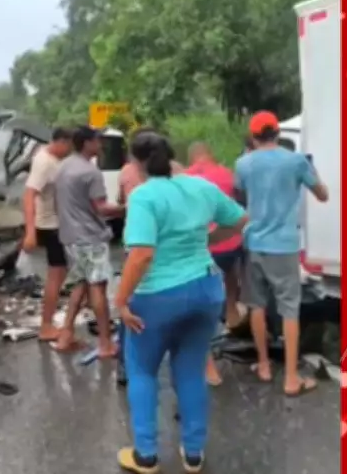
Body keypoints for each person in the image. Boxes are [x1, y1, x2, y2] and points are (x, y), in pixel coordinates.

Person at [114, 130, 247, 473]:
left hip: (158, 295)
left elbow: (142, 254)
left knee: (142, 370)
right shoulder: (198, 186)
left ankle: (146, 455)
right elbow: (240, 220)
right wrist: (209, 237)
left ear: (136, 162)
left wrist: (121, 299)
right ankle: (193, 453)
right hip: (205, 289)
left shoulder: (144, 197)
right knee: (190, 371)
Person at [235, 111, 329, 395]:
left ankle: (263, 365)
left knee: (257, 305)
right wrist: (311, 172)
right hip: (284, 245)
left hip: (253, 244)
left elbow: (240, 196)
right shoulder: (296, 161)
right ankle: (291, 378)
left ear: (253, 136)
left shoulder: (243, 164)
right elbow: (322, 195)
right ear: (277, 133)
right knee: (289, 309)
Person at [115, 140, 183, 385]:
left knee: (131, 305)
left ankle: (127, 364)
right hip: (171, 250)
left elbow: (123, 203)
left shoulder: (127, 174)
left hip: (137, 246)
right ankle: (180, 374)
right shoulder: (178, 171)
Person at [53, 126, 123, 357]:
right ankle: (105, 343)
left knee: (81, 285)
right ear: (87, 144)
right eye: (97, 141)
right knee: (98, 288)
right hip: (90, 237)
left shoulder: (63, 166)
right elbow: (101, 207)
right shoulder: (90, 172)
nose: (100, 145)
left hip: (70, 237)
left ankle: (65, 335)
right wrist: (127, 208)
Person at [184, 141, 245, 386]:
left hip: (203, 247)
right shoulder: (226, 173)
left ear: (192, 157)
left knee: (201, 304)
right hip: (229, 244)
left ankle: (208, 365)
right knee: (230, 276)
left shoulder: (185, 179)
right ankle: (231, 311)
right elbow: (237, 205)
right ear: (211, 154)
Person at [22, 127, 74, 342]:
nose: (70, 150)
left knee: (60, 275)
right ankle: (46, 326)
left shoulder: (52, 158)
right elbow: (28, 195)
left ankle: (50, 322)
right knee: (56, 276)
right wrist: (30, 232)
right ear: (60, 142)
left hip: (57, 224)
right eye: (69, 145)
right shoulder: (44, 162)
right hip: (49, 226)